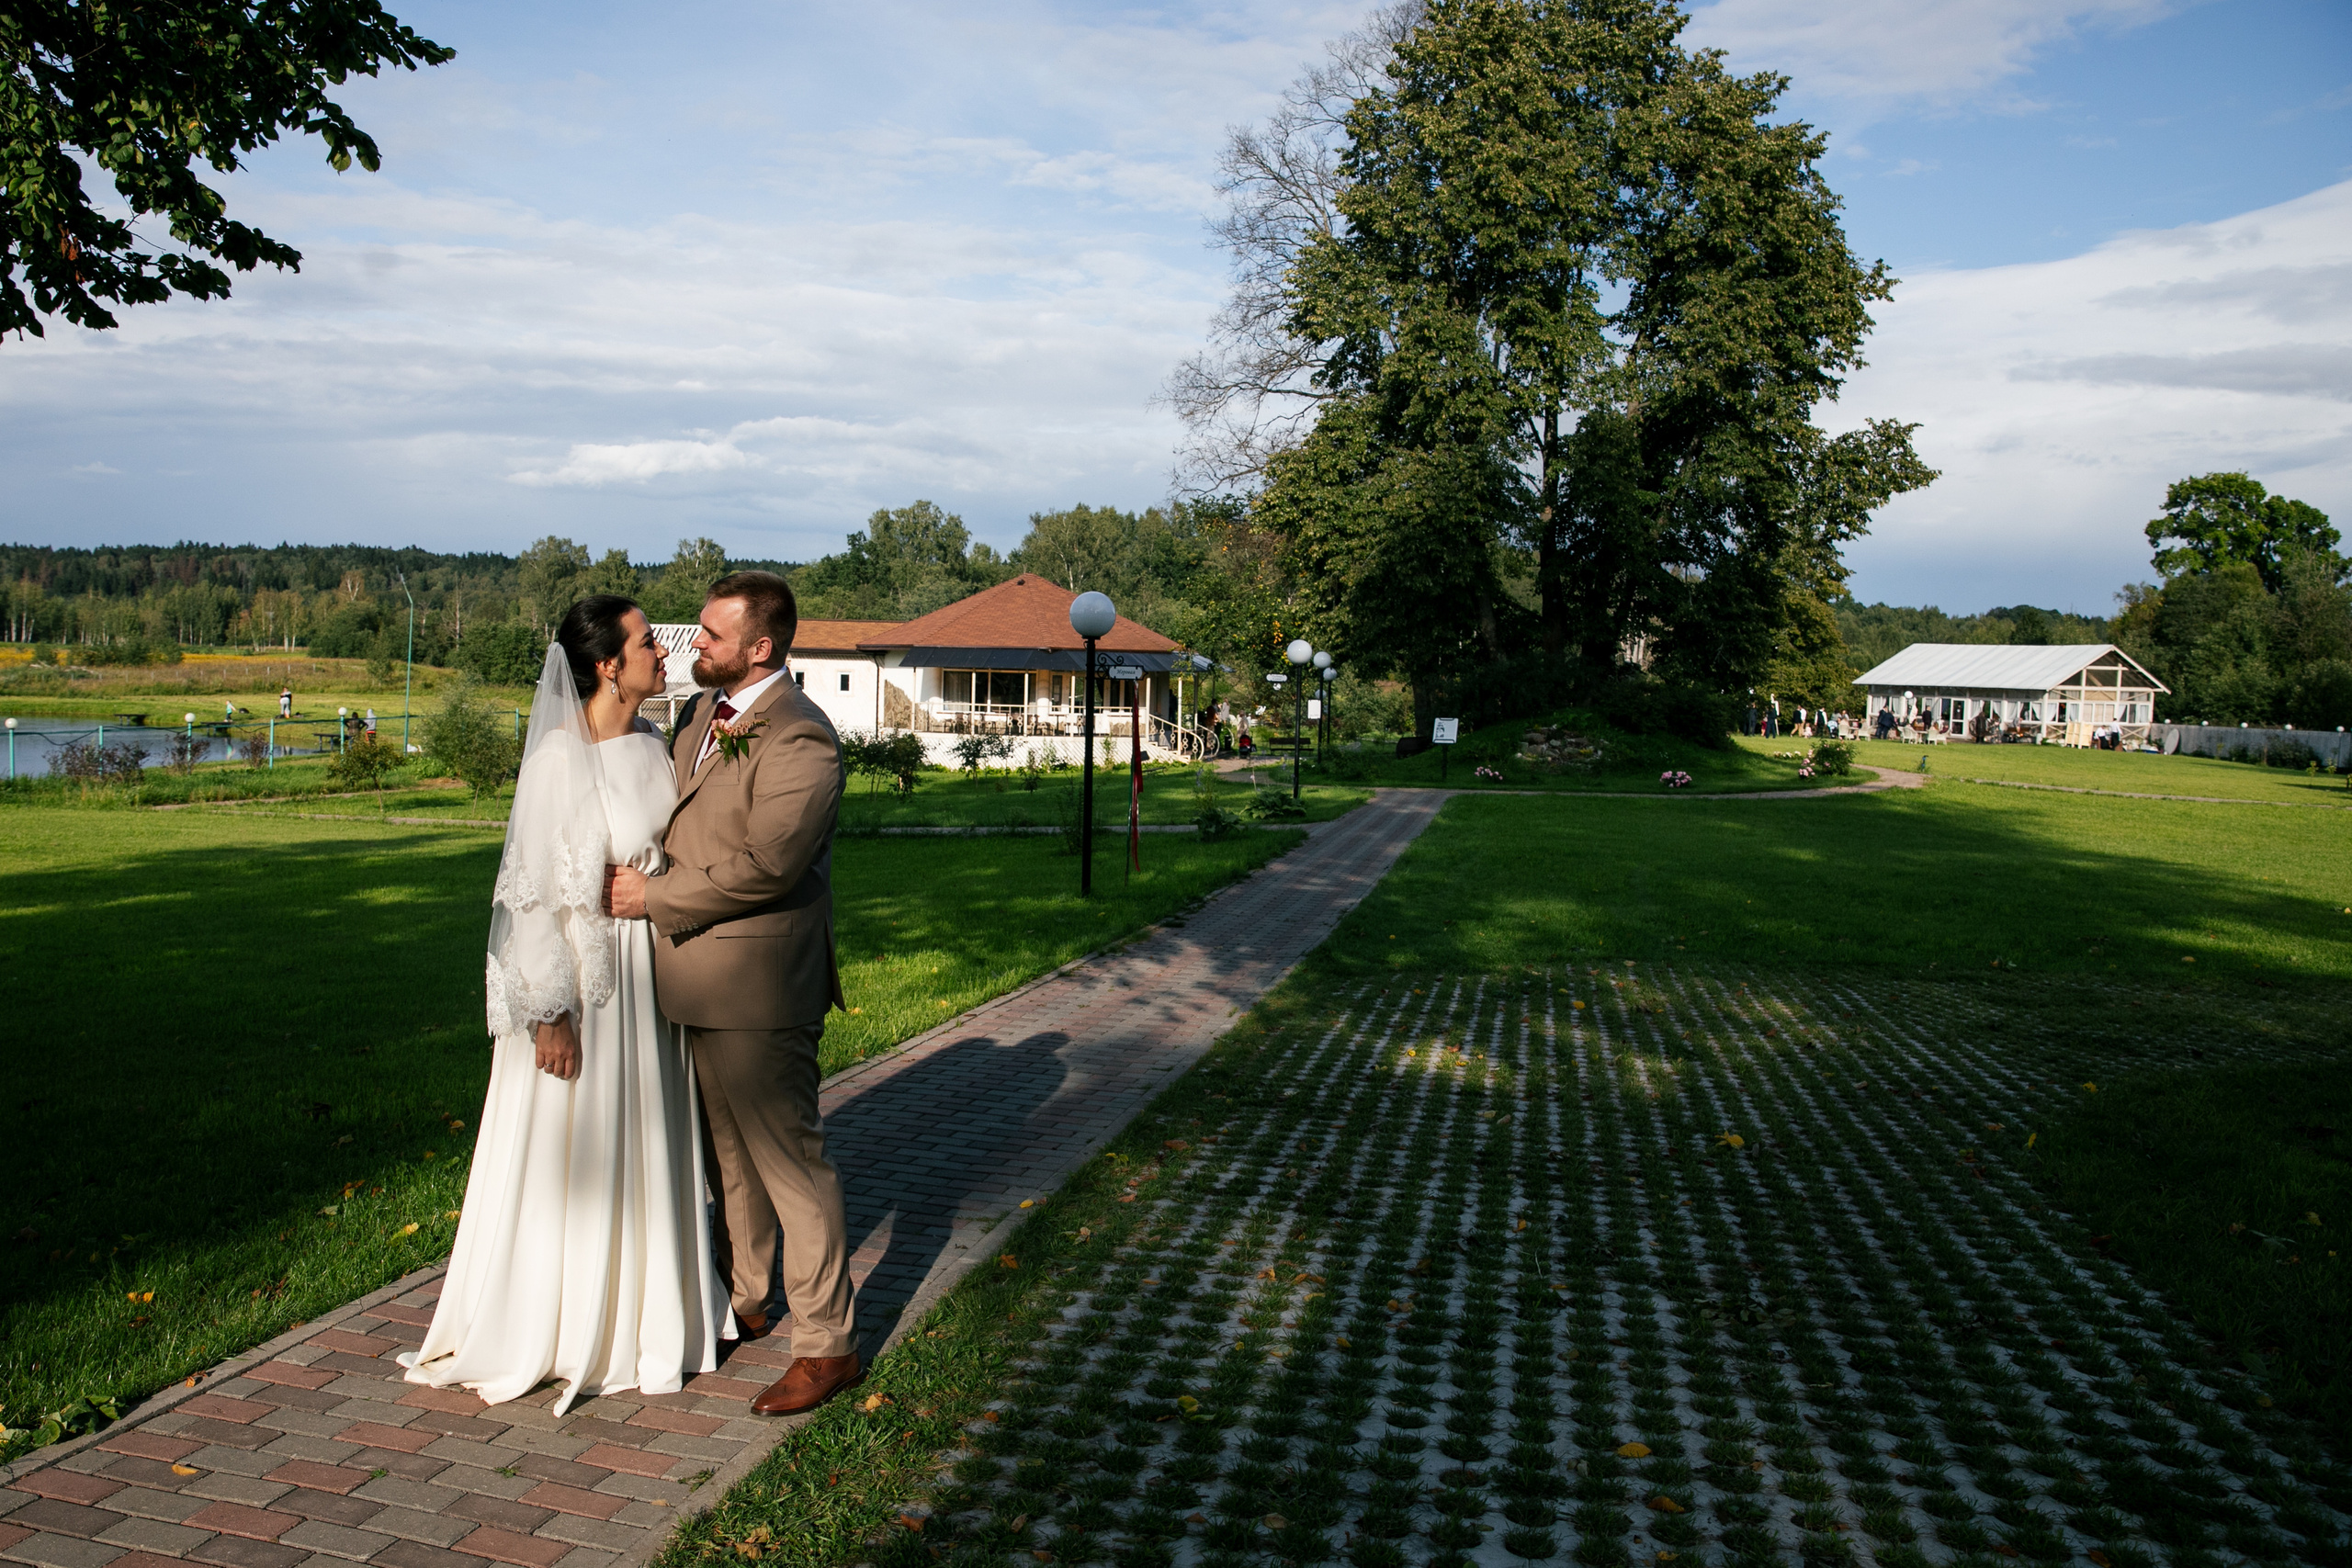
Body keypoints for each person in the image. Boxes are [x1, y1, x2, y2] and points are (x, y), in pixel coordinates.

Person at [401, 597, 727, 1414]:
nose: (664, 649)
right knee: (573, 1145)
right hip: (585, 988)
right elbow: (533, 896)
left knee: (645, 1134)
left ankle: (646, 1314)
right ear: (609, 664)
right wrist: (549, 1010)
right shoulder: (557, 757)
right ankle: (554, 1319)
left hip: (648, 972)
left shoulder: (656, 744)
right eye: (649, 640)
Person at [603, 571, 863, 1418]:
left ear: (760, 646)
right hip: (691, 982)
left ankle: (827, 1344)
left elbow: (770, 865)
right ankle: (749, 1295)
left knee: (790, 1161)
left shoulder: (801, 738)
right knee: (728, 1155)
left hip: (758, 985)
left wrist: (656, 900)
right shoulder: (696, 718)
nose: (693, 646)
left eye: (710, 635)